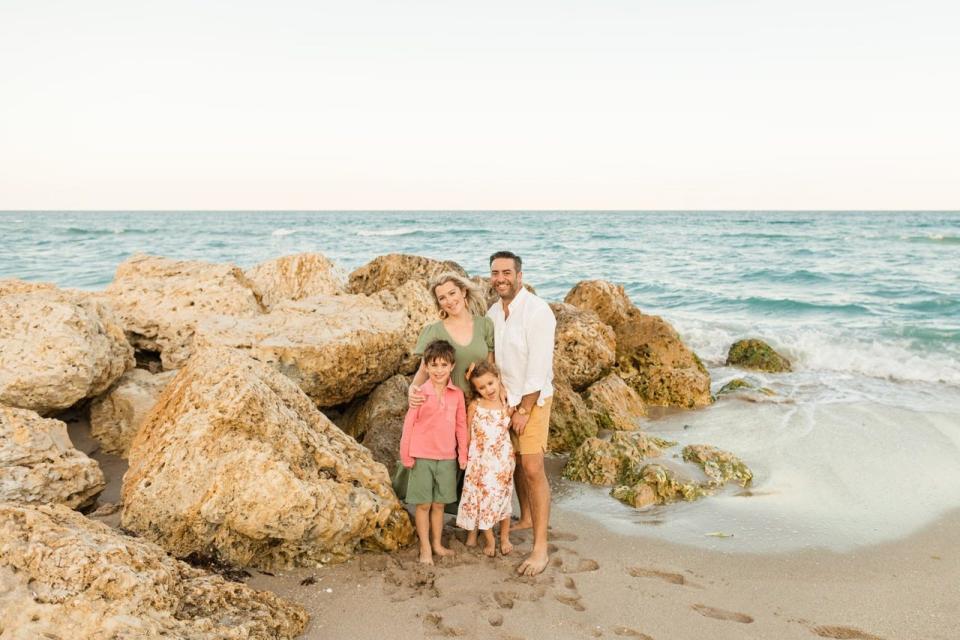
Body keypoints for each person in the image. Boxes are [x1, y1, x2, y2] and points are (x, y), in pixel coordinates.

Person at [487, 250, 556, 576]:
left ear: (519, 276)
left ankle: (540, 548)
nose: (500, 278)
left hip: (534, 399)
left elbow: (538, 369)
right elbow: (493, 360)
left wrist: (525, 409)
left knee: (531, 467)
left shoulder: (538, 312)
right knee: (513, 462)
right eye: (495, 273)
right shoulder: (492, 313)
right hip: (505, 399)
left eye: (506, 272)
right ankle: (525, 517)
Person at [398, 339, 468, 565]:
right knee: (424, 504)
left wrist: (463, 454)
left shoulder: (456, 395)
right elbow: (409, 425)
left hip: (447, 458)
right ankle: (425, 548)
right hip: (422, 456)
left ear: (452, 366)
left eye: (444, 365)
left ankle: (437, 543)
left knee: (439, 504)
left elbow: (461, 425)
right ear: (426, 367)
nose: (439, 370)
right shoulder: (419, 393)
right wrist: (405, 455)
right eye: (434, 365)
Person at [456, 360, 514, 557]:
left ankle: (505, 537)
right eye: (481, 387)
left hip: (502, 463)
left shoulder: (507, 403)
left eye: (490, 383)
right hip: (480, 463)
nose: (488, 389)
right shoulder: (476, 405)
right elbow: (467, 432)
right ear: (476, 390)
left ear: (498, 379)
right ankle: (489, 539)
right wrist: (464, 455)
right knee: (483, 500)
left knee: (503, 498)